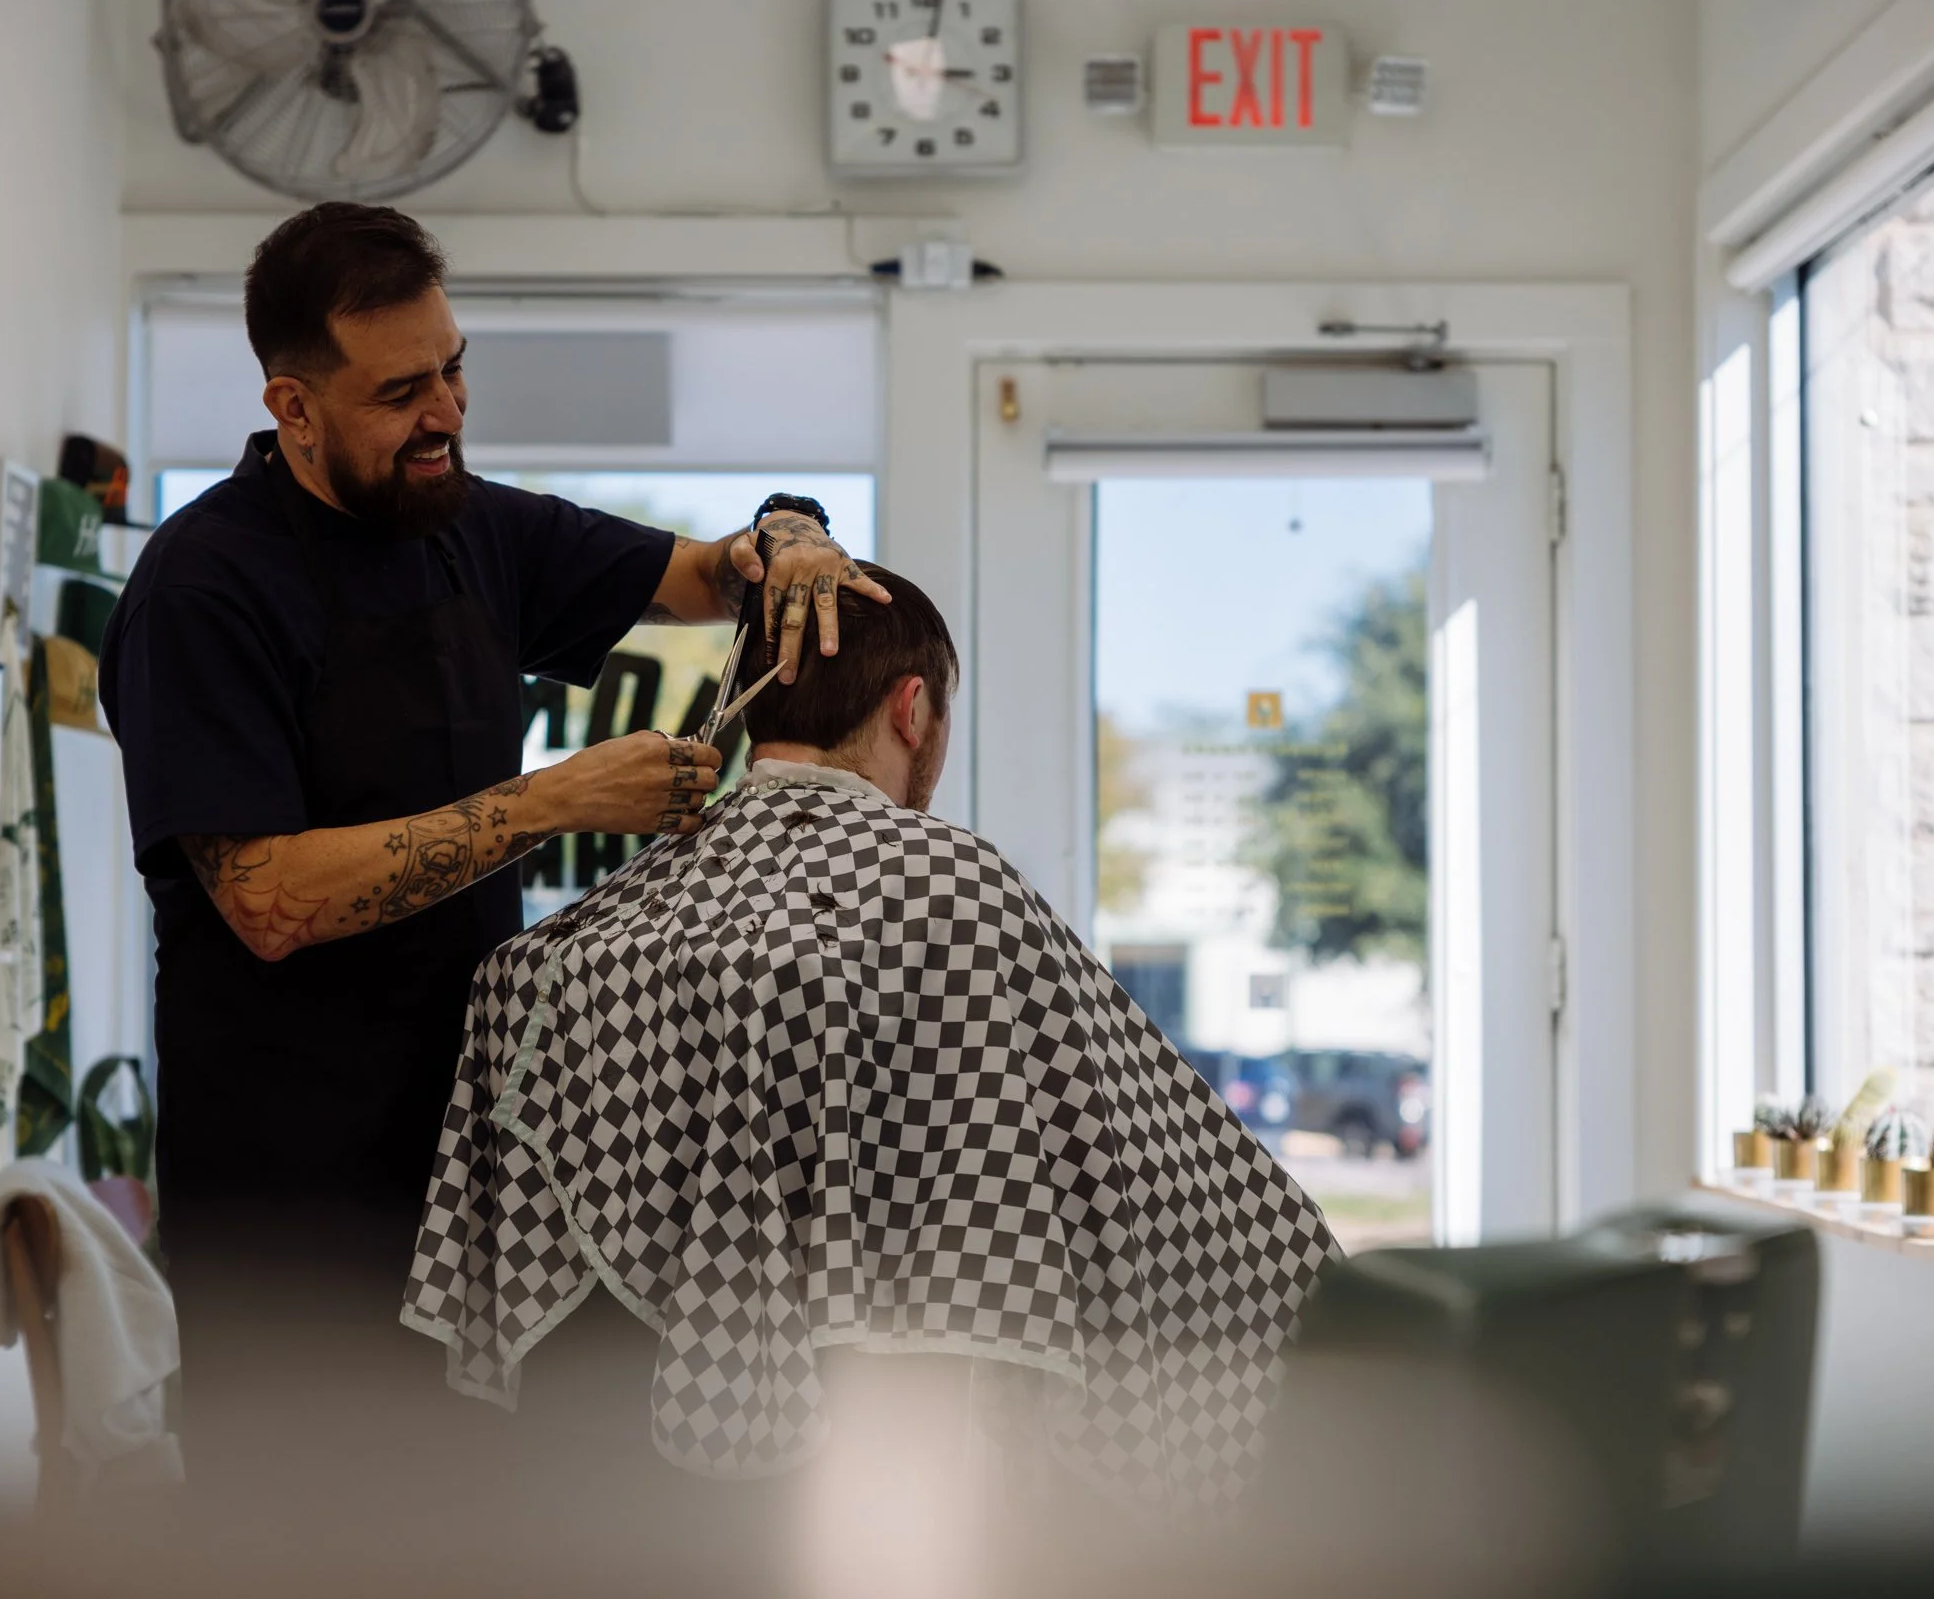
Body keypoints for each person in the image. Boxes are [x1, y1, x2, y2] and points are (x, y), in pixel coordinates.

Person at [97, 202, 885, 1457]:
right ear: (292, 407)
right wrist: (556, 799)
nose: (446, 413)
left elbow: (700, 574)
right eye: (400, 389)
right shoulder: (204, 587)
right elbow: (263, 897)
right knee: (303, 1526)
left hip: (469, 1161)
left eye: (455, 368)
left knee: (471, 1519)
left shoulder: (464, 521)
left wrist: (789, 536)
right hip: (290, 1188)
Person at [404, 565, 1339, 1516]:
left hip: (608, 1493)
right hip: (903, 1471)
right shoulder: (963, 897)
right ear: (912, 708)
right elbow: (1168, 1175)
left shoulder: (578, 945)